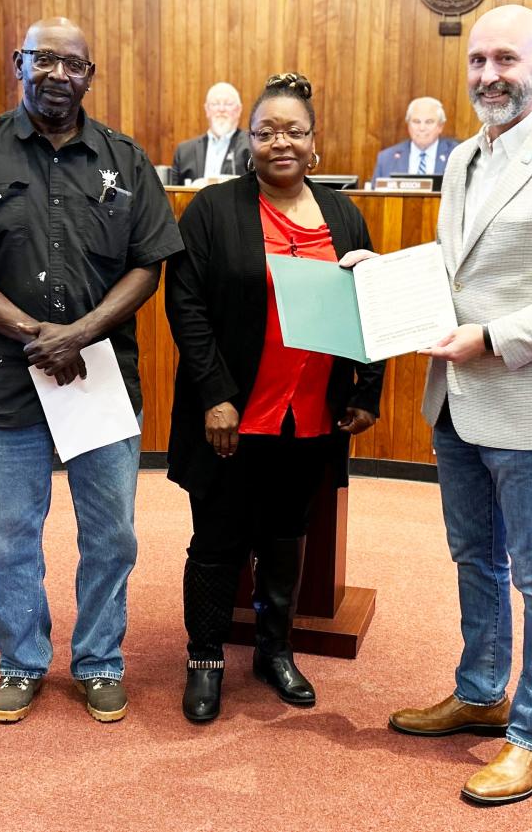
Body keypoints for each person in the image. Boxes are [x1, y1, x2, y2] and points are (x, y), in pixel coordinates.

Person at [356, 5, 532, 805]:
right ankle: (481, 688)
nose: (488, 75)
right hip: (458, 402)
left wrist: (494, 337)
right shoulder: (466, 158)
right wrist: (385, 276)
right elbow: (459, 269)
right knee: (475, 557)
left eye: (506, 59)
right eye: (478, 60)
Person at [0, 16, 183, 725]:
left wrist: (82, 333)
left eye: (73, 64)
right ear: (18, 64)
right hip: (6, 378)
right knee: (9, 533)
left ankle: (97, 659)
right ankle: (22, 658)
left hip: (98, 376)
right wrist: (36, 334)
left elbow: (150, 263)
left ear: (91, 75)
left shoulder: (124, 157)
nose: (58, 74)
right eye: (44, 60)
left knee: (112, 532)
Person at [165, 73, 386, 723]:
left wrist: (366, 391)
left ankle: (274, 648)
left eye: (293, 131)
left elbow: (367, 304)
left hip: (311, 414)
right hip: (233, 416)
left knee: (289, 534)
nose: (279, 142)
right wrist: (215, 395)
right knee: (217, 540)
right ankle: (205, 658)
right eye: (265, 132)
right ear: (248, 141)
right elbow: (187, 306)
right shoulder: (211, 210)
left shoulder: (344, 215)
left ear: (315, 143)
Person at [170, 82, 249, 184]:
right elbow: (173, 195)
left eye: (228, 104)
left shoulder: (251, 147)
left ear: (239, 110)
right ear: (207, 110)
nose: (221, 109)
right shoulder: (184, 152)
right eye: (215, 104)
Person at [371, 96, 458, 182]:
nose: (422, 128)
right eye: (416, 121)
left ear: (440, 126)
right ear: (408, 125)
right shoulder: (386, 158)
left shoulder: (457, 156)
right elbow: (374, 195)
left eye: (429, 122)